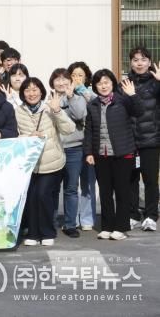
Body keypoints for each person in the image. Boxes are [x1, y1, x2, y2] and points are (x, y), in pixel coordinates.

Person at [16, 77, 75, 247]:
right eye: (27, 90)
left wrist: (57, 111)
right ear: (23, 93)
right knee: (31, 197)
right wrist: (28, 137)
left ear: (41, 91)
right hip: (29, 164)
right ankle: (33, 233)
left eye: (35, 89)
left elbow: (69, 129)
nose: (31, 93)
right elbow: (15, 134)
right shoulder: (18, 111)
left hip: (51, 161)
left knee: (43, 195)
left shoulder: (50, 107)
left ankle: (48, 232)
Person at [84, 70, 140, 241]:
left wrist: (133, 96)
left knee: (122, 191)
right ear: (95, 86)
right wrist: (88, 152)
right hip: (101, 154)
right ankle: (107, 226)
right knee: (105, 191)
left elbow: (138, 112)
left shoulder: (123, 100)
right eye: (99, 83)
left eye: (106, 82)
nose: (103, 86)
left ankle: (121, 227)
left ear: (112, 83)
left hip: (122, 153)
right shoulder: (92, 105)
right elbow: (89, 130)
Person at [50, 68, 88, 238]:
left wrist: (71, 97)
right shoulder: (47, 98)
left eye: (65, 79)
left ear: (71, 82)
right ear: (52, 82)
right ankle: (50, 223)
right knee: (52, 188)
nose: (61, 82)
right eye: (57, 79)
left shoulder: (77, 98)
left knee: (71, 188)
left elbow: (80, 115)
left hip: (74, 148)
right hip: (54, 149)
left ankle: (70, 224)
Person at [126, 46, 160, 232]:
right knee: (131, 179)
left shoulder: (156, 83)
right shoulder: (125, 83)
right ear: (131, 63)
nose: (139, 63)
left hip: (151, 140)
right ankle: (132, 214)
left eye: (143, 60)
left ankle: (151, 215)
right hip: (130, 141)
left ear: (149, 62)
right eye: (136, 60)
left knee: (150, 180)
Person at [68, 60, 97, 230]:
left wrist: (83, 92)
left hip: (89, 143)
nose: (76, 78)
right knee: (71, 185)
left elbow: (95, 106)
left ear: (86, 78)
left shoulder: (91, 93)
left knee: (88, 183)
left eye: (80, 75)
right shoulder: (66, 94)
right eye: (73, 75)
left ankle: (87, 219)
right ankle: (73, 218)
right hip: (72, 143)